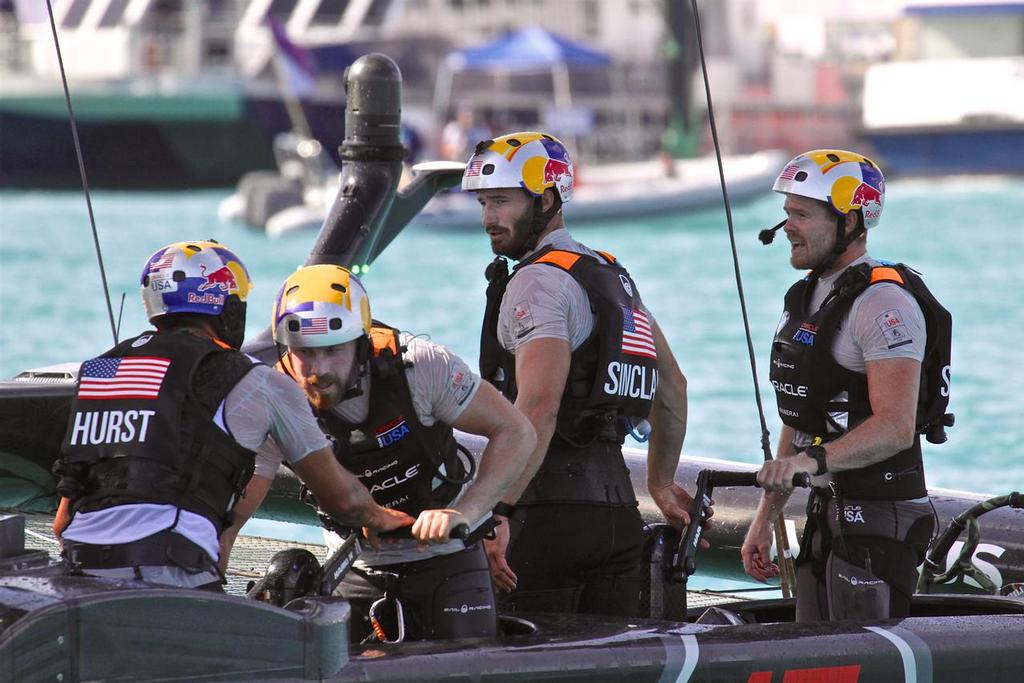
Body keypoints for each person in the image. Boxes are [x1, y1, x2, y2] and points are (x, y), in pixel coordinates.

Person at [52, 240, 411, 590]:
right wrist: (384, 517)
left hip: (79, 573)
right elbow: (343, 501)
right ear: (226, 308)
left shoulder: (99, 370)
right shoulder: (255, 380)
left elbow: (62, 522)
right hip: (169, 578)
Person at [224, 264, 535, 641]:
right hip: (355, 569)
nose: (319, 371)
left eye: (333, 351)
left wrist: (464, 513)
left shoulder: (421, 366)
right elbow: (234, 517)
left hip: (449, 561)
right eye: (304, 353)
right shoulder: (275, 398)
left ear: (361, 342)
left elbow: (517, 432)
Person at [462, 131, 697, 617]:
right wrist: (660, 482)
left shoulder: (537, 281)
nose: (488, 218)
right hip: (617, 521)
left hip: (543, 518)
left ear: (545, 197)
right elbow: (672, 389)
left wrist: (498, 511)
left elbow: (539, 408)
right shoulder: (607, 273)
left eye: (502, 202)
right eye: (484, 202)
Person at [741, 150, 952, 621]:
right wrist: (765, 517)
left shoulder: (883, 303)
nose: (787, 227)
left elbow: (896, 426)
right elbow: (799, 417)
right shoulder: (806, 295)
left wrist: (808, 461)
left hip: (879, 521)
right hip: (825, 514)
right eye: (786, 214)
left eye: (801, 214)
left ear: (850, 220)